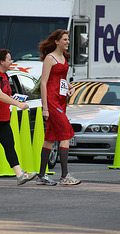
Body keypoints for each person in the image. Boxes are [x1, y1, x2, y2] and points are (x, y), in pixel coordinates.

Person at [0, 49, 37, 186]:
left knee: (9, 146)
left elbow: (6, 95)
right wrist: (18, 104)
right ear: (1, 61)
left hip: (2, 119)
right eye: (9, 59)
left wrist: (16, 99)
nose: (11, 62)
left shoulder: (5, 76)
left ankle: (20, 175)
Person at [36, 29, 81, 186]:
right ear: (57, 41)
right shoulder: (50, 58)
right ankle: (65, 175)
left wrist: (71, 87)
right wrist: (45, 107)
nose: (67, 42)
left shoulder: (63, 57)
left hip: (62, 100)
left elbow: (62, 78)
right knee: (65, 134)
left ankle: (41, 175)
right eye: (65, 39)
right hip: (52, 102)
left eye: (68, 39)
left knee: (50, 137)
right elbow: (43, 82)